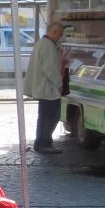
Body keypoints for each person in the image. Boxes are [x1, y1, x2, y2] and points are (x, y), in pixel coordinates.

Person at [26, 21, 65, 153]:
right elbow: (51, 69)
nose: (60, 37)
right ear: (54, 32)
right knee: (51, 117)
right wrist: (59, 84)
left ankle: (40, 142)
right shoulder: (48, 46)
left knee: (43, 117)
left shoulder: (41, 43)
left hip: (41, 87)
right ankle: (45, 144)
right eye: (60, 34)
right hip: (48, 89)